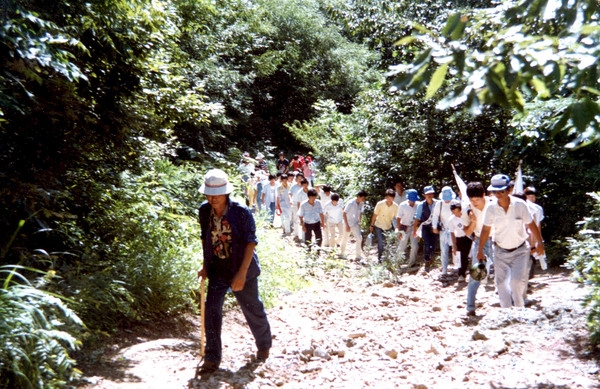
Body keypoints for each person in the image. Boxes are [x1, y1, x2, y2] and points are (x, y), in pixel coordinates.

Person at [197, 169, 272, 373]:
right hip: (218, 268)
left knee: (251, 306)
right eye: (209, 194)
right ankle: (212, 357)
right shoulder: (204, 211)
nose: (212, 198)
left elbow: (250, 243)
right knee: (212, 308)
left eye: (217, 194)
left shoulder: (240, 212)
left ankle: (264, 345)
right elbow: (206, 239)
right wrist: (206, 265)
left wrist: (241, 274)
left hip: (241, 267)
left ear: (226, 193)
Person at [476, 174, 545, 309]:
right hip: (500, 250)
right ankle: (506, 313)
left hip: (520, 250)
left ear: (508, 190)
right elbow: (485, 230)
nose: (498, 194)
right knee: (501, 284)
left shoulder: (520, 205)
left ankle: (520, 310)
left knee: (516, 282)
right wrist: (480, 250)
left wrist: (540, 242)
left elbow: (531, 224)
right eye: (495, 191)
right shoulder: (491, 208)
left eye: (501, 191)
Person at [462, 181, 494, 316]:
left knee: (504, 271)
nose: (474, 202)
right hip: (479, 240)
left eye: (477, 199)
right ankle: (470, 307)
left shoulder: (493, 205)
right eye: (472, 200)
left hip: (496, 239)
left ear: (484, 195)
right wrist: (473, 222)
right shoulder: (467, 209)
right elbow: (467, 233)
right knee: (476, 274)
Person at [413, 185, 440, 271]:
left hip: (435, 226)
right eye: (428, 194)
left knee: (434, 243)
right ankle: (426, 259)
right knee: (427, 243)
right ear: (424, 195)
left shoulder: (438, 203)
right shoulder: (421, 205)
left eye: (431, 193)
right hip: (425, 226)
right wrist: (414, 230)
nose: (430, 195)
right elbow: (417, 218)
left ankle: (431, 256)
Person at [370, 189, 399, 263]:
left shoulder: (396, 206)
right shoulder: (380, 204)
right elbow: (375, 215)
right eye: (388, 198)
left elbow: (397, 218)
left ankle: (387, 260)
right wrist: (371, 225)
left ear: (394, 198)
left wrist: (398, 228)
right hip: (379, 225)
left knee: (388, 243)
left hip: (388, 226)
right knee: (381, 243)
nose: (390, 200)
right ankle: (380, 260)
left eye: (391, 198)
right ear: (385, 197)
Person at [432, 186, 456, 276]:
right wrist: (434, 226)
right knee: (444, 250)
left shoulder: (455, 203)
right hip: (444, 230)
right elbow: (435, 216)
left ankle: (458, 267)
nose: (447, 200)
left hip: (455, 231)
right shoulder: (439, 204)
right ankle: (444, 269)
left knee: (455, 250)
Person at [448, 199, 472, 282]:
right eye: (454, 212)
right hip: (459, 238)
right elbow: (452, 232)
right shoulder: (451, 219)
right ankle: (461, 274)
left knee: (465, 256)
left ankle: (463, 273)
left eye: (457, 211)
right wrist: (454, 245)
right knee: (460, 257)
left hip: (468, 237)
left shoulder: (466, 216)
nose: (456, 214)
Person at [395, 189, 420, 267]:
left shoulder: (418, 205)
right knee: (402, 245)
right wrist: (399, 231)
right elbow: (398, 218)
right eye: (411, 200)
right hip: (404, 226)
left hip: (414, 227)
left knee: (415, 245)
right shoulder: (402, 205)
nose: (413, 202)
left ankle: (411, 262)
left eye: (414, 200)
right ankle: (397, 262)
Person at [342, 190, 367, 260]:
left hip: (355, 223)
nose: (363, 200)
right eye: (362, 198)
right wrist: (347, 225)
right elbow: (344, 213)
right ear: (358, 197)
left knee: (359, 238)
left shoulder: (362, 204)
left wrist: (359, 222)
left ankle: (358, 256)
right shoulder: (350, 203)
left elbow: (360, 213)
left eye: (364, 199)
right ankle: (342, 253)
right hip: (348, 222)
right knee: (345, 238)